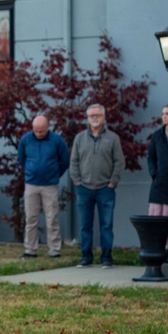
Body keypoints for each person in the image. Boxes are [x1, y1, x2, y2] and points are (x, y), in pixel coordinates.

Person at [69, 104, 124, 268]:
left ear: (104, 117)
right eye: (91, 115)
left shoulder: (113, 138)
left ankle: (106, 257)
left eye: (98, 115)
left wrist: (113, 182)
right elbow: (73, 162)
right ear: (87, 118)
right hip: (84, 188)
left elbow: (119, 162)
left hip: (105, 189)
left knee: (106, 225)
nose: (95, 118)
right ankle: (86, 257)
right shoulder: (79, 138)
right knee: (85, 225)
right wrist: (76, 180)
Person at [17, 114, 69, 258]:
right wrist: (30, 172)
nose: (39, 134)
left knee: (52, 218)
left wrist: (54, 175)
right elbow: (22, 158)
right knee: (31, 218)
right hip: (31, 184)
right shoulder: (25, 140)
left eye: (42, 131)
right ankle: (30, 250)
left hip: (50, 185)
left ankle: (54, 250)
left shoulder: (57, 141)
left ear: (48, 128)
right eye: (36, 131)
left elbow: (64, 161)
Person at [146, 105, 168, 217]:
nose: (164, 116)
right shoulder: (157, 135)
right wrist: (154, 173)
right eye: (163, 114)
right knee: (156, 219)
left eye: (167, 114)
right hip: (159, 183)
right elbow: (150, 157)